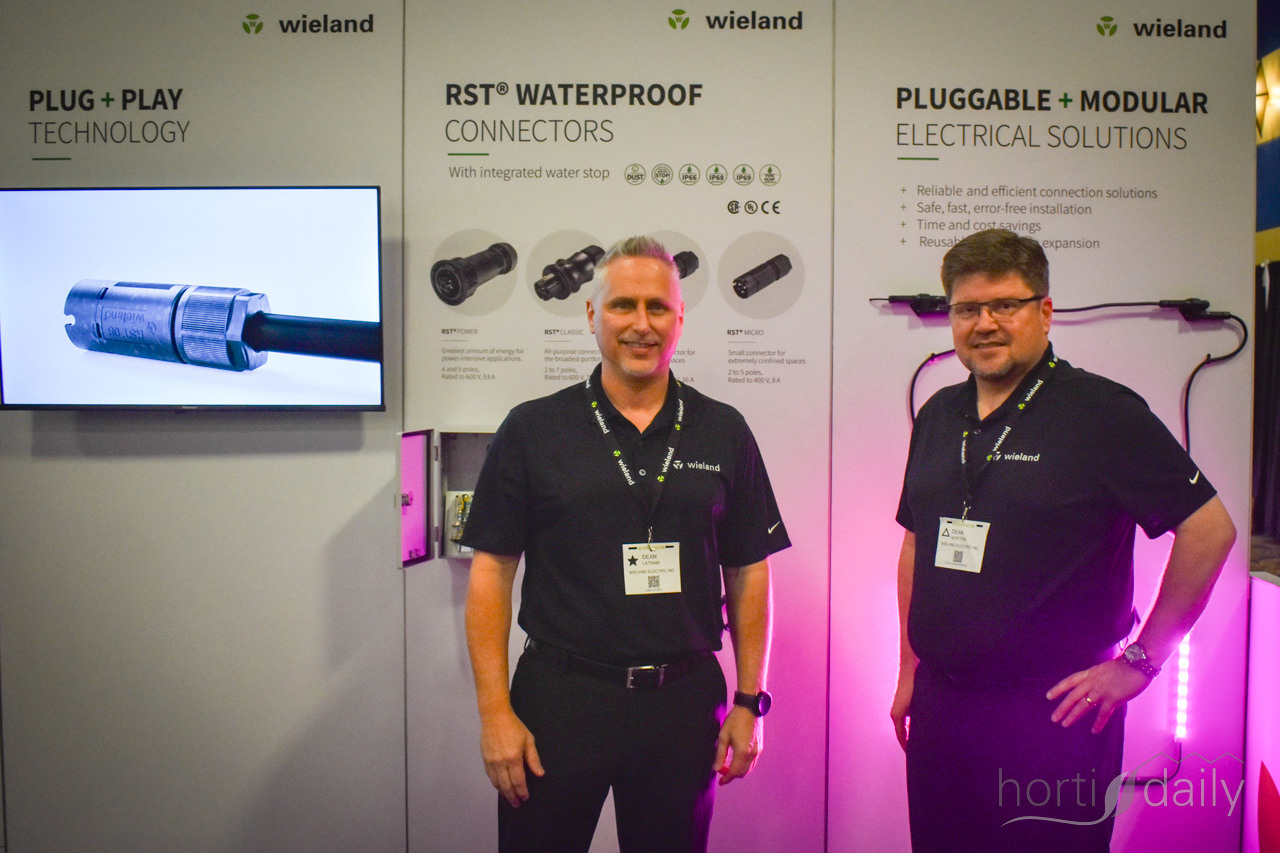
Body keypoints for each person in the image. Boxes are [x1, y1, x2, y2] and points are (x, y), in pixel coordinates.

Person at [890, 228, 1236, 852]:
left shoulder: (1103, 413)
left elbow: (1209, 530)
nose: (984, 323)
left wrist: (1141, 662)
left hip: (1055, 713)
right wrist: (908, 666)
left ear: (1045, 312)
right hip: (942, 709)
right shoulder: (939, 415)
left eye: (1005, 305)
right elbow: (918, 543)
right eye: (968, 309)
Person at [461, 235, 790, 852]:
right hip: (559, 700)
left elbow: (749, 570)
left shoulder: (723, 429)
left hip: (682, 705)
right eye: (623, 305)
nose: (641, 324)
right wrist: (495, 712)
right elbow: (492, 572)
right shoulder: (534, 428)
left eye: (658, 307)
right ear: (592, 314)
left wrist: (750, 701)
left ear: (680, 318)